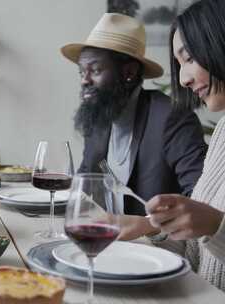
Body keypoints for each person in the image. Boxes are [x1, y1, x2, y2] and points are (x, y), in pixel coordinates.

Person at [119, 0, 225, 291]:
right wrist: (149, 227)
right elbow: (196, 254)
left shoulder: (168, 117)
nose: (182, 79)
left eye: (188, 58)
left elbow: (214, 229)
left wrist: (216, 226)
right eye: (179, 64)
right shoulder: (223, 133)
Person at [61, 13, 207, 215]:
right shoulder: (98, 116)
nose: (84, 80)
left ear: (128, 72)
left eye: (94, 70)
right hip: (107, 238)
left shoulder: (172, 117)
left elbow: (201, 202)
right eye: (81, 72)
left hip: (156, 243)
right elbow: (84, 185)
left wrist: (149, 227)